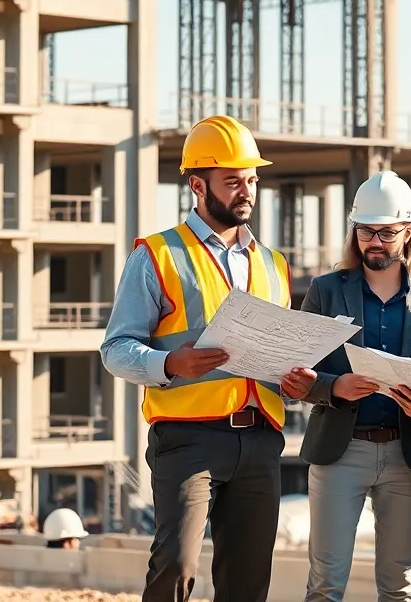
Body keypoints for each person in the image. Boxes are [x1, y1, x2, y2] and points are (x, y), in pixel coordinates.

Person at [100, 115, 291, 602]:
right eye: (233, 181)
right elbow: (116, 349)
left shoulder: (273, 264)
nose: (246, 190)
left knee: (248, 582)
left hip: (262, 438)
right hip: (188, 438)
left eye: (251, 179)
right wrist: (169, 365)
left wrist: (296, 374)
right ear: (197, 186)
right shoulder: (157, 255)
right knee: (176, 567)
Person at [279, 171, 411, 602]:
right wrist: (334, 387)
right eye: (366, 231)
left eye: (386, 233)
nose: (375, 241)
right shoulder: (325, 291)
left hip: (405, 453)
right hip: (341, 451)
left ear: (407, 234)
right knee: (325, 583)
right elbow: (296, 375)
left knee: (398, 585)